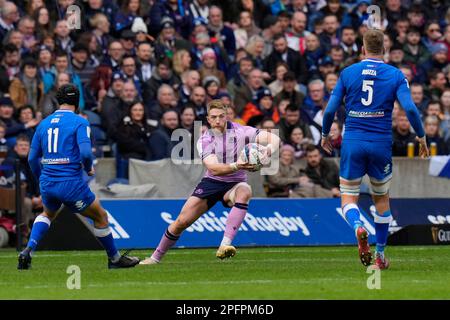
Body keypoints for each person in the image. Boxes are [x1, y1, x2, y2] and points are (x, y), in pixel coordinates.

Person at [321, 29, 428, 270]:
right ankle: (379, 255)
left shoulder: (348, 73)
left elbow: (329, 111)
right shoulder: (395, 75)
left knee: (348, 197)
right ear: (385, 50)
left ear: (362, 49)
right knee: (381, 198)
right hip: (380, 143)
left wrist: (325, 134)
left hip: (353, 142)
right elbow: (410, 109)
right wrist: (421, 136)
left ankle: (358, 225)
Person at [140, 99, 279, 265]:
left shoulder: (242, 131)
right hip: (212, 183)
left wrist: (267, 151)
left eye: (221, 116)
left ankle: (225, 245)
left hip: (235, 185)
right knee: (181, 222)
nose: (218, 120)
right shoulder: (205, 140)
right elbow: (214, 168)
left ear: (227, 116)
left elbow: (273, 138)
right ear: (208, 119)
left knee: (245, 191)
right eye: (214, 117)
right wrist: (238, 165)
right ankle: (155, 258)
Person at [18, 84, 140, 269]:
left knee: (48, 214)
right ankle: (114, 259)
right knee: (100, 215)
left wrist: (40, 179)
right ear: (77, 101)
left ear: (58, 101)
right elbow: (85, 153)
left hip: (48, 182)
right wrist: (89, 168)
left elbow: (32, 158)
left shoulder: (43, 123)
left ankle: (28, 250)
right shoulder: (80, 122)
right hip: (70, 184)